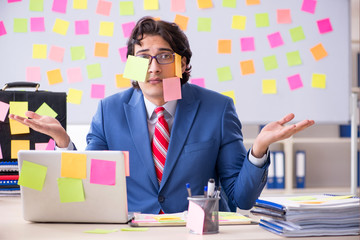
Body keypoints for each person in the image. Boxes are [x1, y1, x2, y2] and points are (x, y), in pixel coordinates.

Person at [9, 16, 314, 213]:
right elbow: (91, 191)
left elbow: (240, 198)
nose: (154, 67)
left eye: (165, 57)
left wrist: (258, 149)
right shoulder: (109, 111)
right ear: (131, 66)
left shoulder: (217, 109)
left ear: (182, 65)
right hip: (131, 233)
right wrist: (64, 142)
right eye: (143, 58)